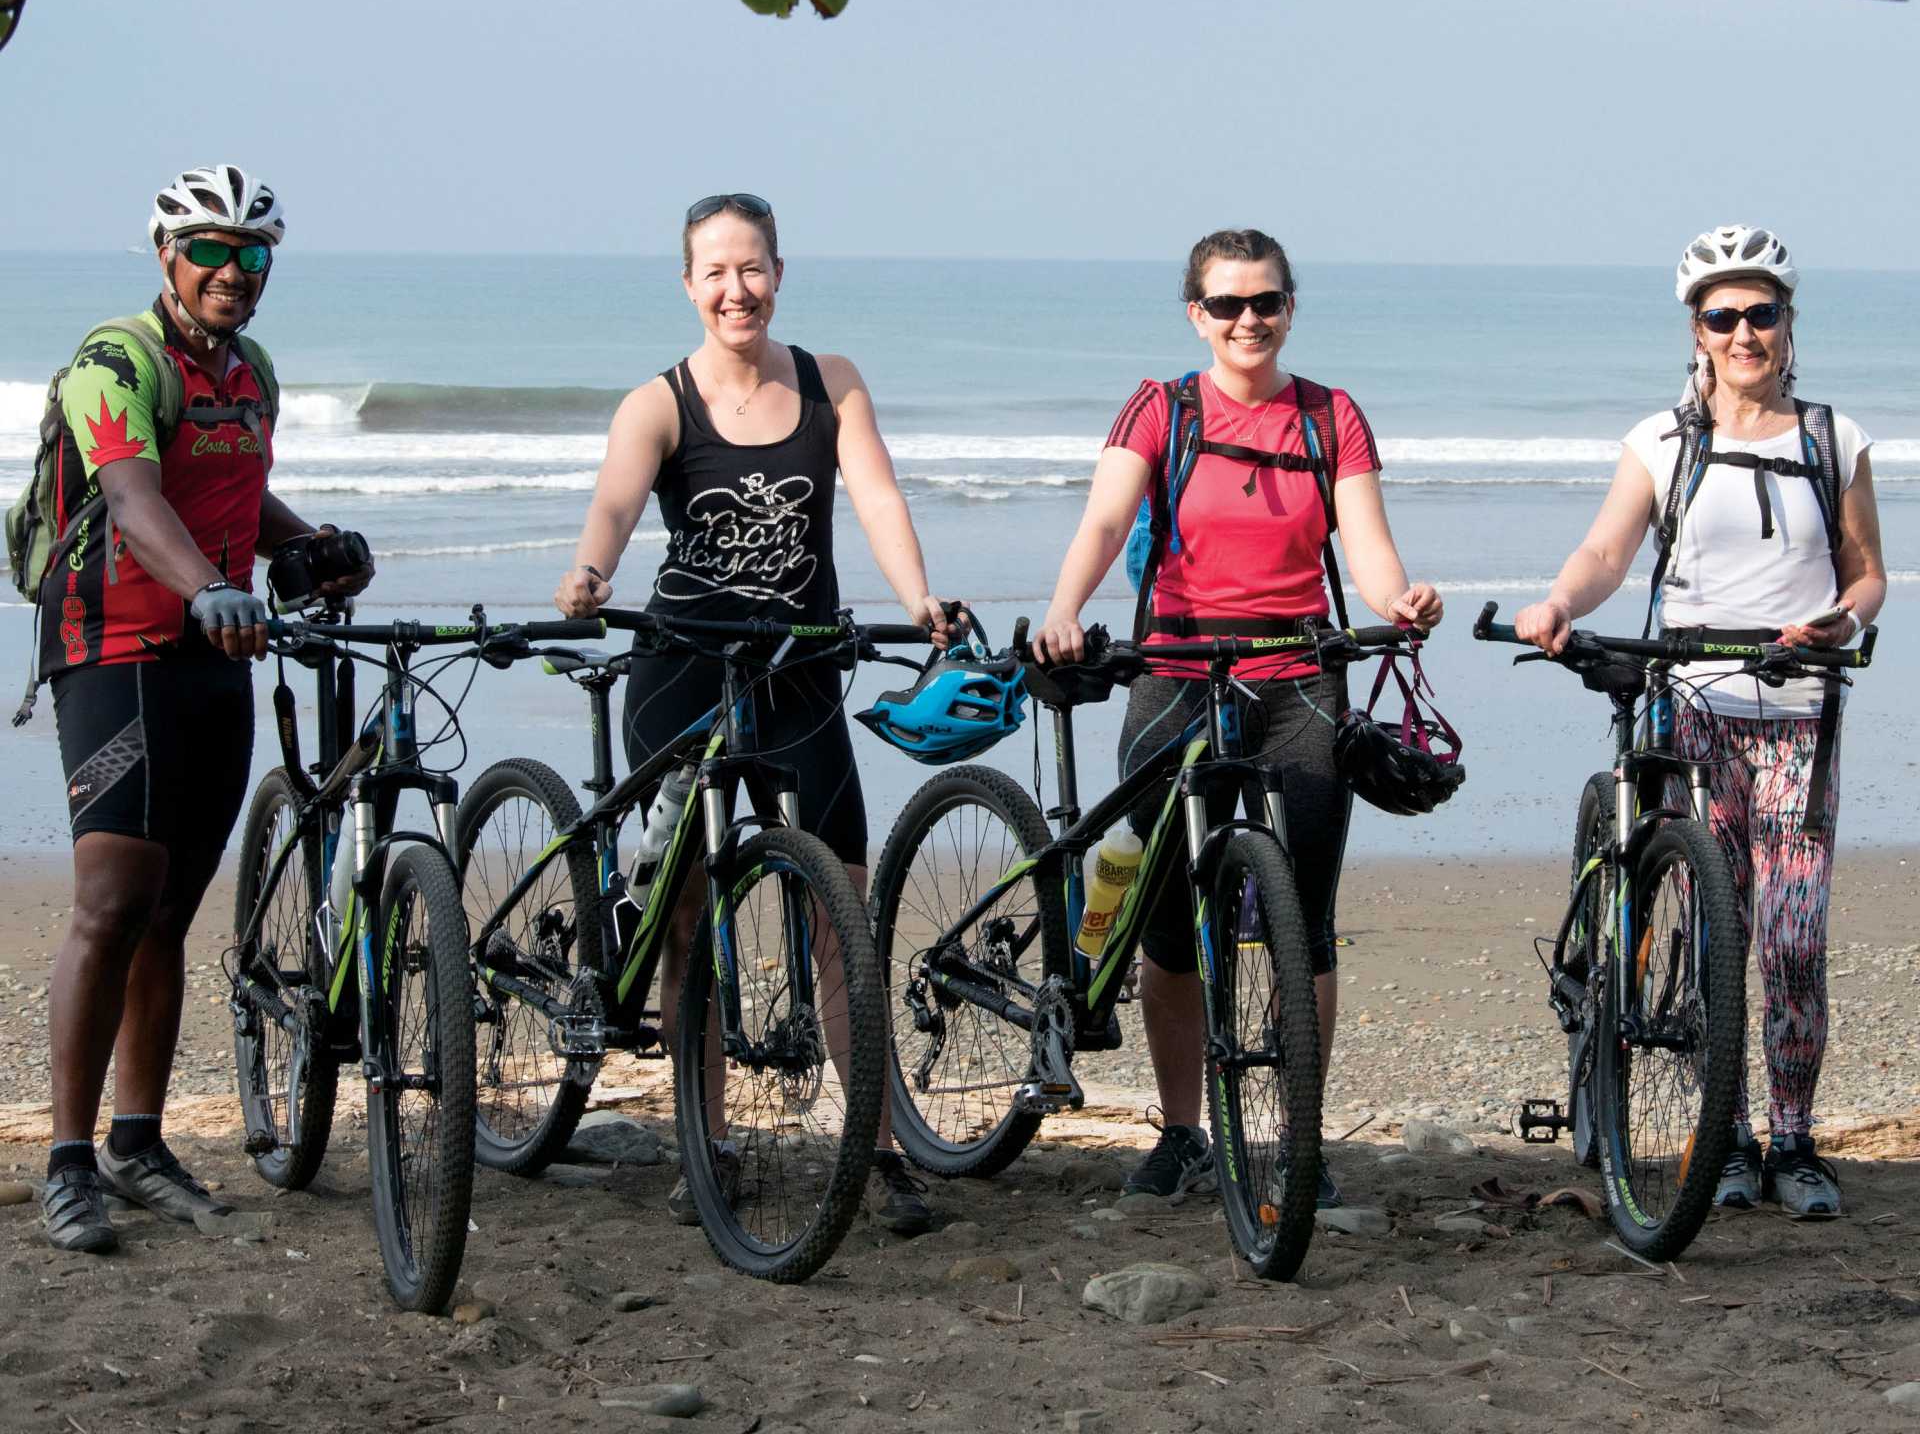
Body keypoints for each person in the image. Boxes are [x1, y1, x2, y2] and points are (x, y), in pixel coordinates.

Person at [553, 192, 953, 1236]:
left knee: (843, 915)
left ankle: (873, 1151)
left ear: (780, 272)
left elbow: (874, 498)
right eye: (716, 272)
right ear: (690, 285)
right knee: (688, 922)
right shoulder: (659, 402)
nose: (737, 289)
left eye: (753, 268)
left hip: (801, 667)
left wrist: (917, 597)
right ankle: (709, 1141)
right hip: (684, 670)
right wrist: (590, 571)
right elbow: (614, 503)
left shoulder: (833, 382)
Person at [1030, 228, 1443, 1208]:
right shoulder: (1160, 408)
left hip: (1300, 673)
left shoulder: (1331, 415)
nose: (1248, 321)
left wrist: (1400, 601)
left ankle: (1299, 1138)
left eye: (1266, 302)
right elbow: (1100, 522)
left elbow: (1371, 549)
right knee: (1168, 921)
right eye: (1228, 305)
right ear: (1196, 315)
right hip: (1174, 665)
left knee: (1304, 919)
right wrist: (1063, 610)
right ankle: (1183, 1134)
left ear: (1290, 307)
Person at [34, 168, 374, 1253]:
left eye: (254, 255)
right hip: (116, 646)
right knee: (110, 899)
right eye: (211, 251)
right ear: (167, 256)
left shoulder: (249, 374)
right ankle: (68, 1160)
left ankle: (139, 1142)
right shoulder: (113, 361)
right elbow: (133, 498)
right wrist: (205, 587)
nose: (234, 272)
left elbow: (235, 495)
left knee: (172, 907)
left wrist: (304, 544)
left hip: (217, 646)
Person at [1515, 224, 1885, 1218]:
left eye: (1761, 314)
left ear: (1787, 324)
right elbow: (1604, 552)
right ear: (1697, 329)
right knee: (1718, 931)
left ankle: (1796, 1142)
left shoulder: (1830, 438)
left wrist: (1841, 618)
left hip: (1799, 714)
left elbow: (1868, 572)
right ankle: (1720, 1135)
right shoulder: (1662, 442)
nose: (1744, 333)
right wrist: (1559, 604)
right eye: (1724, 316)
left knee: (1793, 943)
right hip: (1695, 712)